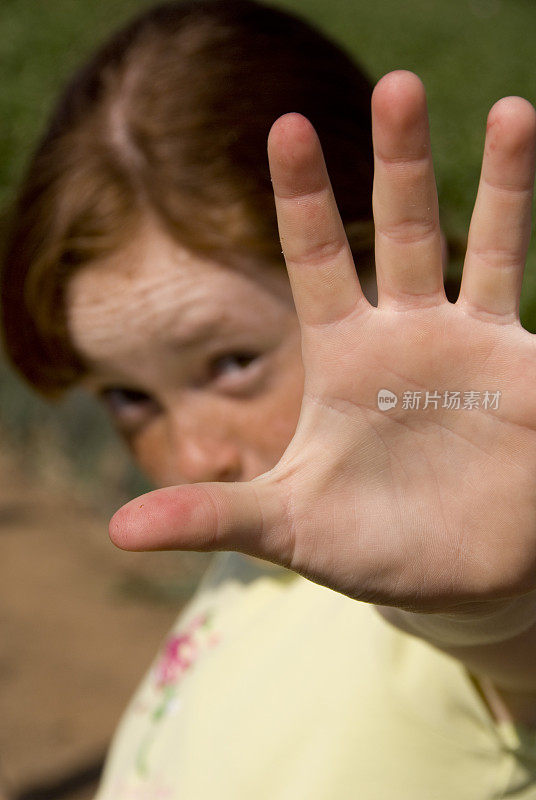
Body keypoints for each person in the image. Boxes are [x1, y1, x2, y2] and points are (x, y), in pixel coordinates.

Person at [2, 0, 536, 797]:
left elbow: (510, 662)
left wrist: (493, 616)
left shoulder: (433, 584)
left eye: (230, 363)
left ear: (371, 270)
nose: (191, 457)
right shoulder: (254, 559)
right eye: (127, 396)